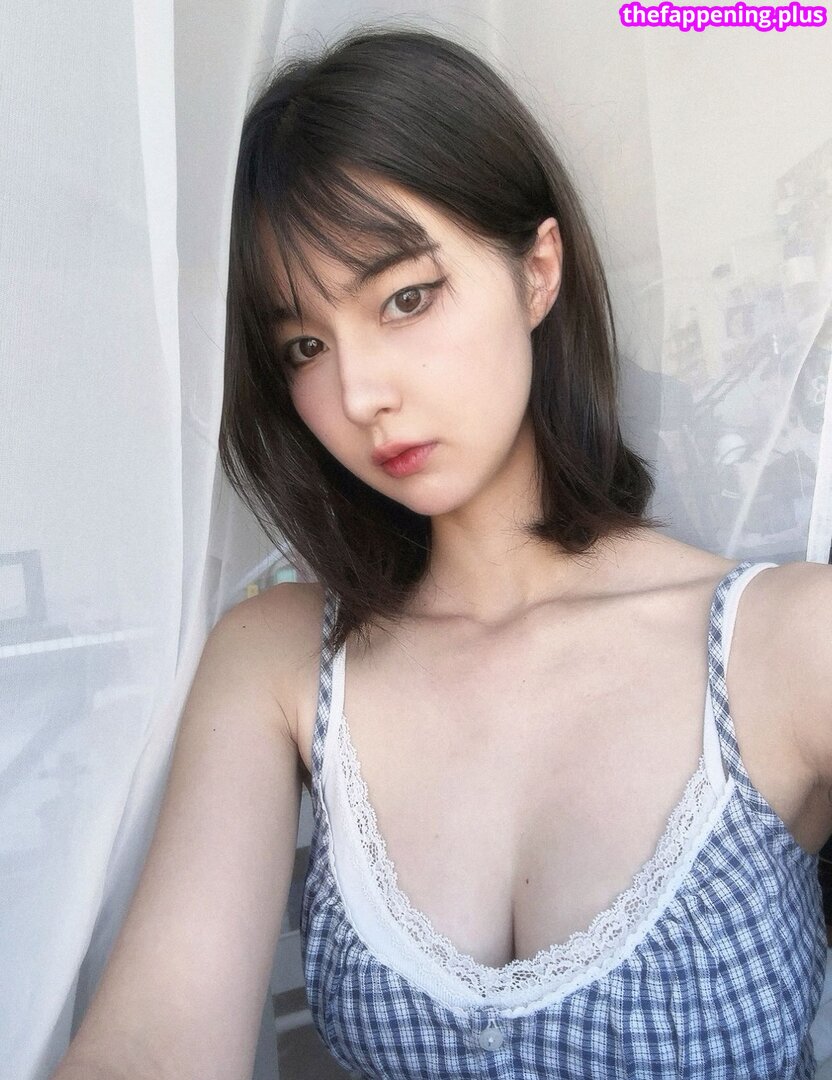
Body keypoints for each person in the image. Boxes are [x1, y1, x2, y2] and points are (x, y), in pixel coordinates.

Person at [52, 23, 832, 1080]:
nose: (358, 392)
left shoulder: (782, 642)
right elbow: (155, 1044)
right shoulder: (282, 662)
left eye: (405, 298)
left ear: (537, 272)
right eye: (305, 346)